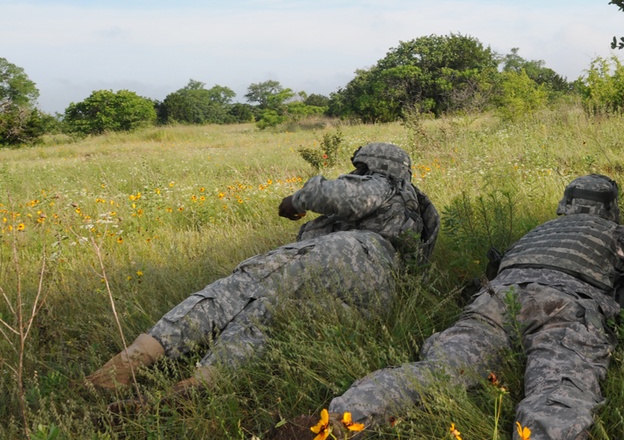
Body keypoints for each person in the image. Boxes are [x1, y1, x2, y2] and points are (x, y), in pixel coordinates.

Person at [219, 174, 624, 440]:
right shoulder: (617, 234)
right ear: (610, 208)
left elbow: (495, 272)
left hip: (500, 296)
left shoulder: (537, 230)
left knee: (440, 371)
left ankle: (330, 423)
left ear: (565, 204)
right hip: (567, 299)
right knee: (561, 376)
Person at [83, 142, 440, 394]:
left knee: (243, 284)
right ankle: (207, 381)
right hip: (374, 299)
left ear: (374, 165)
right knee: (272, 310)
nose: (355, 172)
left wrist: (297, 201)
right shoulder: (415, 214)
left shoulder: (384, 184)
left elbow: (342, 195)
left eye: (358, 167)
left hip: (354, 251)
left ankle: (128, 365)